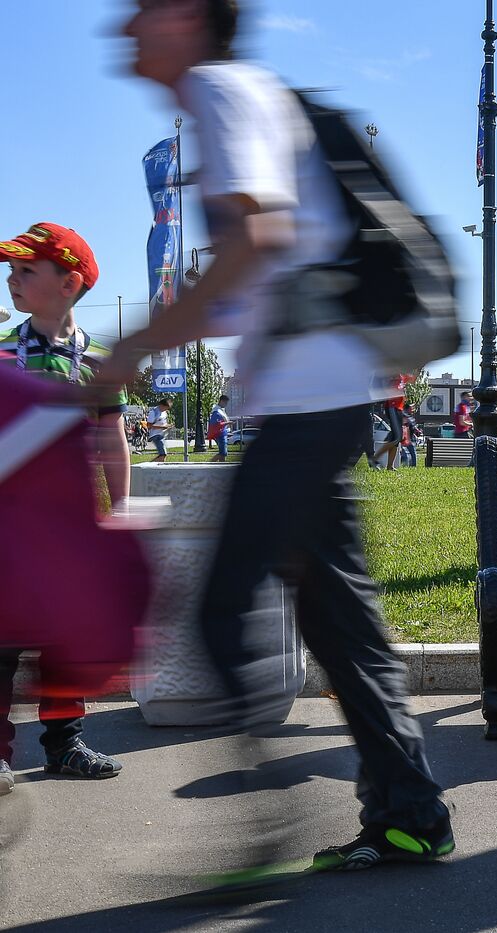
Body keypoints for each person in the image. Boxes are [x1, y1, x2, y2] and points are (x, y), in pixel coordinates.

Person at [107, 0, 452, 873]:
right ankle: (412, 816)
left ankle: (261, 833)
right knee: (341, 625)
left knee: (221, 608)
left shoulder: (221, 90)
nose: (125, 26)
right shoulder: (251, 94)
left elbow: (256, 238)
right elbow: (264, 261)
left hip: (308, 404)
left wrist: (134, 349)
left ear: (187, 15)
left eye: (141, 9)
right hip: (322, 394)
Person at [0, 221, 127, 784]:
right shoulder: (3, 354)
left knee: (65, 638)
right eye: (10, 270)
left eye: (27, 270)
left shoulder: (99, 362)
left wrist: (121, 507)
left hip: (72, 524)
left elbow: (113, 438)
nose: (11, 280)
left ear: (70, 284)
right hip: (9, 523)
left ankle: (65, 745)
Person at [373, 376, 409, 472]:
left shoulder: (402, 377)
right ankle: (374, 458)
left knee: (395, 438)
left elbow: (413, 378)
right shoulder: (393, 374)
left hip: (399, 409)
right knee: (397, 437)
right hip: (392, 406)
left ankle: (390, 466)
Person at [148, 397, 173, 462]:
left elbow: (163, 423)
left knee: (163, 455)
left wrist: (168, 426)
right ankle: (149, 466)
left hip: (161, 434)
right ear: (161, 405)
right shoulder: (153, 412)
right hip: (155, 435)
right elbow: (149, 425)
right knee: (163, 454)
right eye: (165, 408)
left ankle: (159, 468)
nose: (166, 410)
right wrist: (162, 427)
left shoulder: (164, 412)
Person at [207, 393, 230, 461]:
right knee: (223, 453)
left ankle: (221, 467)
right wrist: (228, 423)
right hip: (220, 434)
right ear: (221, 401)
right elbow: (217, 424)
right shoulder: (216, 411)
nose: (226, 404)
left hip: (222, 433)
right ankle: (209, 464)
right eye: (225, 403)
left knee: (222, 453)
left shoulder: (220, 410)